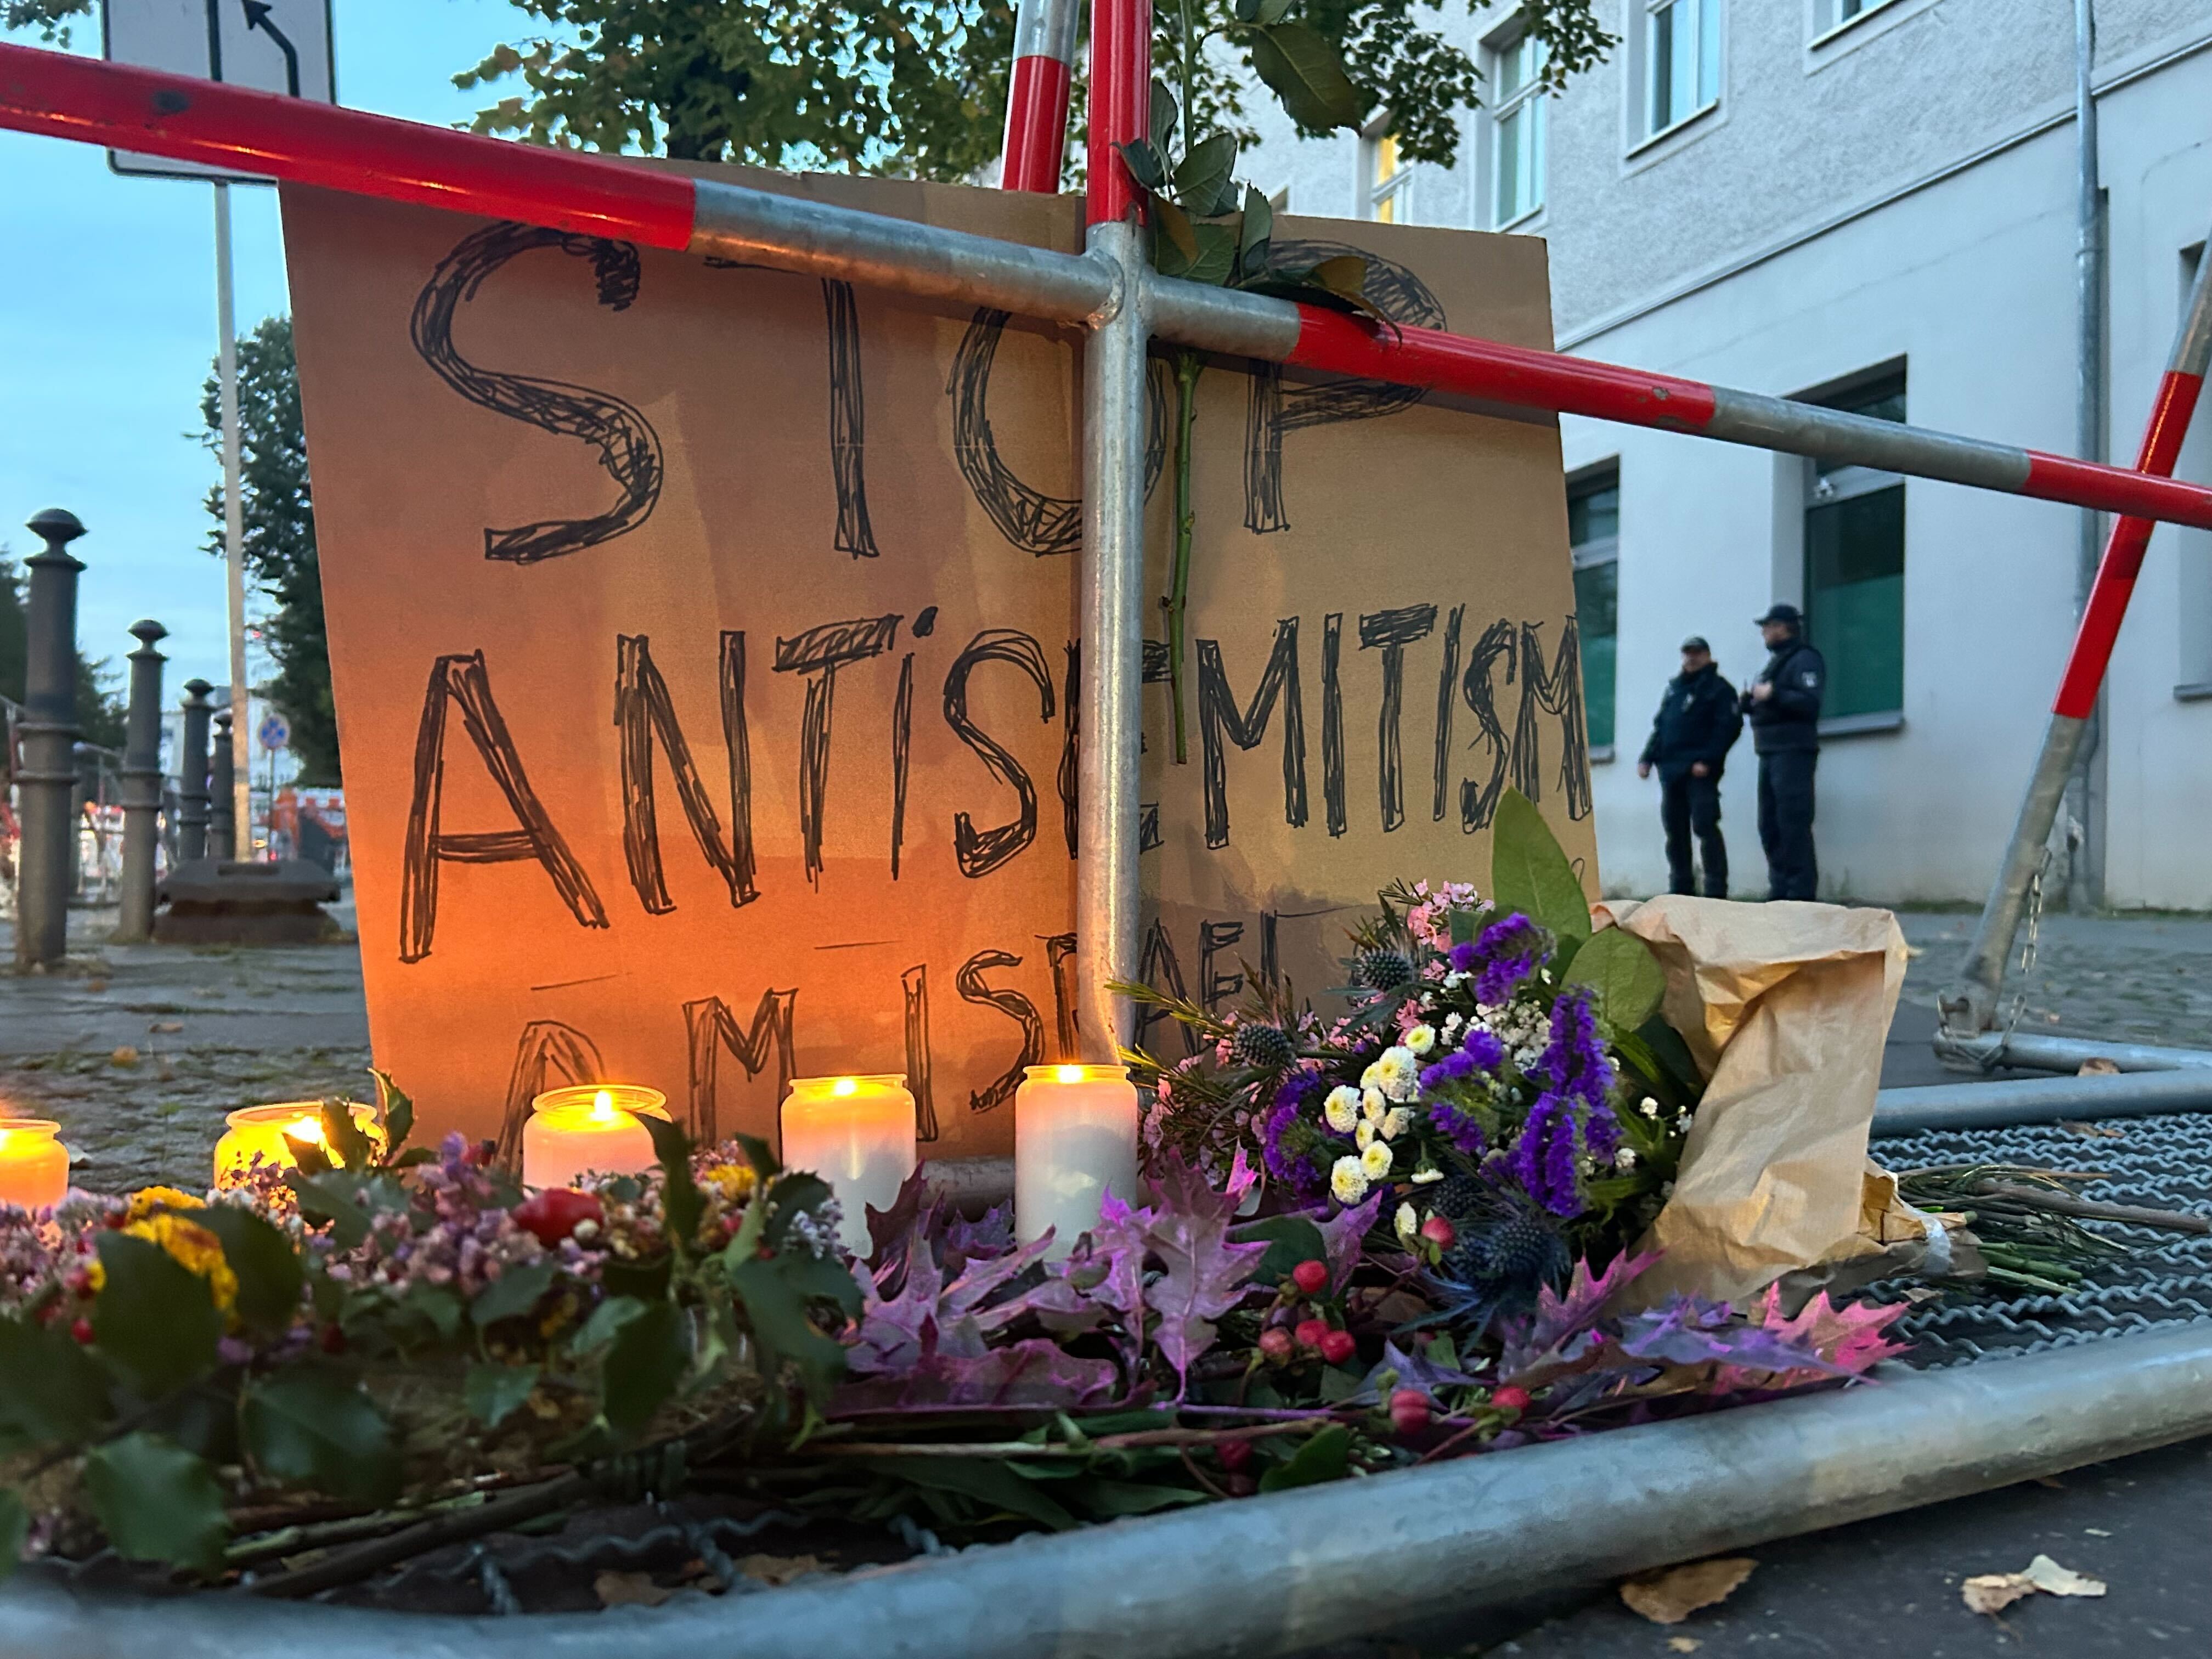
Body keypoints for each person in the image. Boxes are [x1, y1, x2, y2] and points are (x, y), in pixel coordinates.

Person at [1637, 637, 1741, 899]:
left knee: (1705, 827)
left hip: (1699, 772)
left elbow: (1728, 728)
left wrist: (1708, 760)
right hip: (1671, 771)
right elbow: (1661, 727)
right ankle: (1681, 889)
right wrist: (1646, 758)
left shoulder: (1719, 689)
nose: (1691, 659)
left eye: (1696, 653)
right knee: (1675, 832)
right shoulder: (1675, 689)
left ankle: (1716, 890)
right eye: (1687, 654)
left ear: (1707, 655)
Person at [1741, 602, 1826, 901]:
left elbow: (1809, 703)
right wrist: (1750, 703)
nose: (1764, 632)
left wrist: (1773, 694)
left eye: (1768, 626)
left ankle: (1800, 894)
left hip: (1793, 751)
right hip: (1770, 751)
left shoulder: (1804, 659)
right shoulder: (1777, 662)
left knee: (1793, 822)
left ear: (1782, 628)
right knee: (1770, 825)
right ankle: (1780, 891)